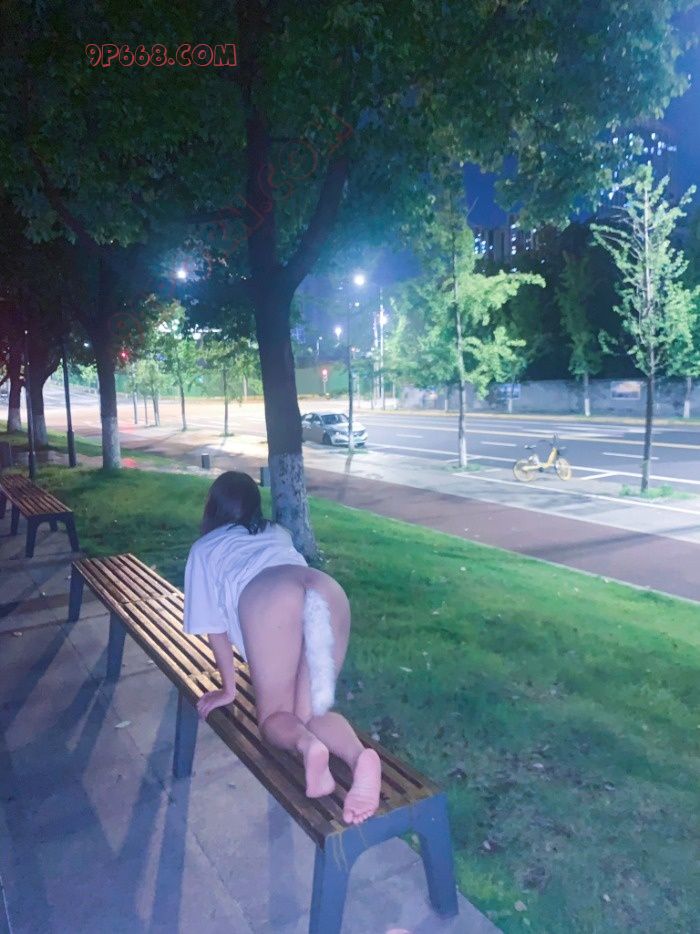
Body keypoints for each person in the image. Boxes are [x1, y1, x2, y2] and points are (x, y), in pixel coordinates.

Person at [183, 470, 382, 825]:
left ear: (212, 507)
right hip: (324, 589)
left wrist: (229, 689)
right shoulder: (277, 532)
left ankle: (309, 747)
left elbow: (214, 629)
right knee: (313, 711)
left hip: (270, 597)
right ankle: (358, 756)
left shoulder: (205, 548)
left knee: (275, 717)